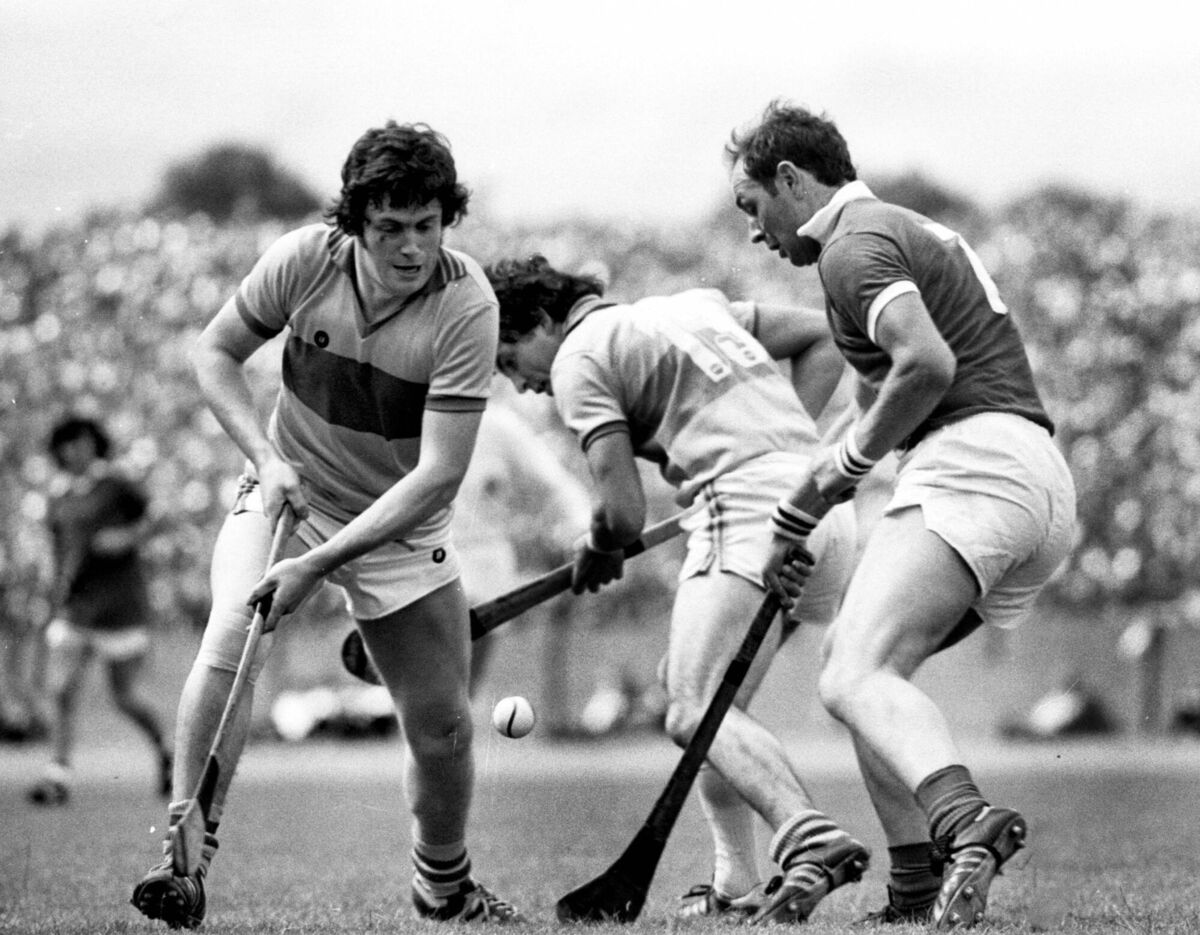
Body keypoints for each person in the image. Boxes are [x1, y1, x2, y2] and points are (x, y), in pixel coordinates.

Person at [131, 121, 524, 928]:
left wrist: (320, 564)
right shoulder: (306, 259)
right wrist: (267, 461)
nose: (412, 248)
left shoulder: (467, 305)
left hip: (398, 524)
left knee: (445, 727)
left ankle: (443, 887)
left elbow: (438, 474)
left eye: (427, 225)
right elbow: (214, 354)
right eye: (390, 229)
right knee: (235, 629)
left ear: (447, 218)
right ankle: (183, 860)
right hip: (292, 492)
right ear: (354, 223)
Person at [727, 100, 1077, 928]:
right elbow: (871, 404)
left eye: (752, 207)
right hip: (1030, 479)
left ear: (790, 179)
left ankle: (966, 824)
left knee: (854, 673)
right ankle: (916, 890)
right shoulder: (889, 232)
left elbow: (926, 364)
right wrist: (800, 509)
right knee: (859, 669)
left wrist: (841, 472)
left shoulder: (850, 246)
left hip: (975, 462)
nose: (752, 232)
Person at [486, 255, 868, 923]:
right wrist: (780, 449)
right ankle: (736, 883)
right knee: (716, 712)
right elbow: (819, 337)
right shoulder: (694, 304)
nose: (520, 383)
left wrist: (600, 547)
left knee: (691, 709)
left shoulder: (579, 362)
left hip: (749, 510)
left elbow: (623, 514)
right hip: (822, 507)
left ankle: (808, 834)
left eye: (510, 355)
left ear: (542, 320)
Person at [26, 416, 172, 805]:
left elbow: (158, 515)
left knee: (124, 696)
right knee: (62, 689)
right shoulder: (57, 496)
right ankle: (57, 776)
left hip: (119, 606)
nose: (76, 450)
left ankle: (167, 751)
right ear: (59, 450)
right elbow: (56, 552)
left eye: (83, 441)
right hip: (75, 607)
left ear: (96, 444)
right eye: (68, 444)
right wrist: (50, 595)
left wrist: (128, 537)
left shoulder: (116, 484)